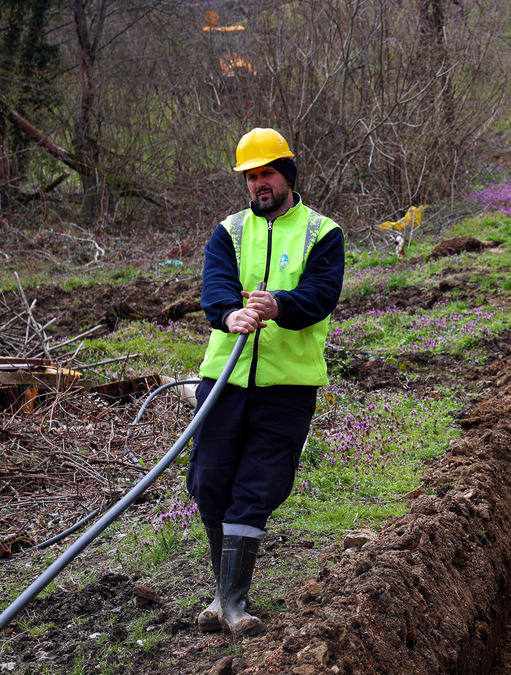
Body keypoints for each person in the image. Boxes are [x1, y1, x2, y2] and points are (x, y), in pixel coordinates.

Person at [191, 128, 345, 636]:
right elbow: (215, 282)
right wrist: (227, 313)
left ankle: (234, 603)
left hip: (287, 386)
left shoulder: (323, 232)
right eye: (251, 176)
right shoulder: (229, 231)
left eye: (267, 174)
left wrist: (281, 305)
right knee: (210, 482)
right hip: (225, 379)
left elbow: (321, 293)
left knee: (258, 487)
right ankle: (220, 598)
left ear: (288, 175)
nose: (259, 184)